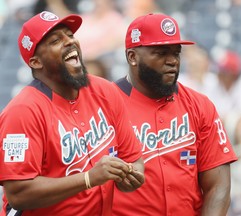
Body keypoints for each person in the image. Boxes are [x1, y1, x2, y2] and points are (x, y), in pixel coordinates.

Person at [0, 11, 144, 215]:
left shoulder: (104, 90)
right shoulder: (22, 112)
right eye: (56, 40)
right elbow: (18, 193)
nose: (70, 42)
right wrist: (88, 178)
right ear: (35, 62)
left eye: (70, 35)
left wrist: (131, 176)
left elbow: (133, 158)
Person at [112, 13, 238, 216]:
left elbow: (218, 186)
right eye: (160, 53)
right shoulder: (104, 106)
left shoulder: (199, 105)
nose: (172, 61)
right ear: (132, 57)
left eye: (176, 53)